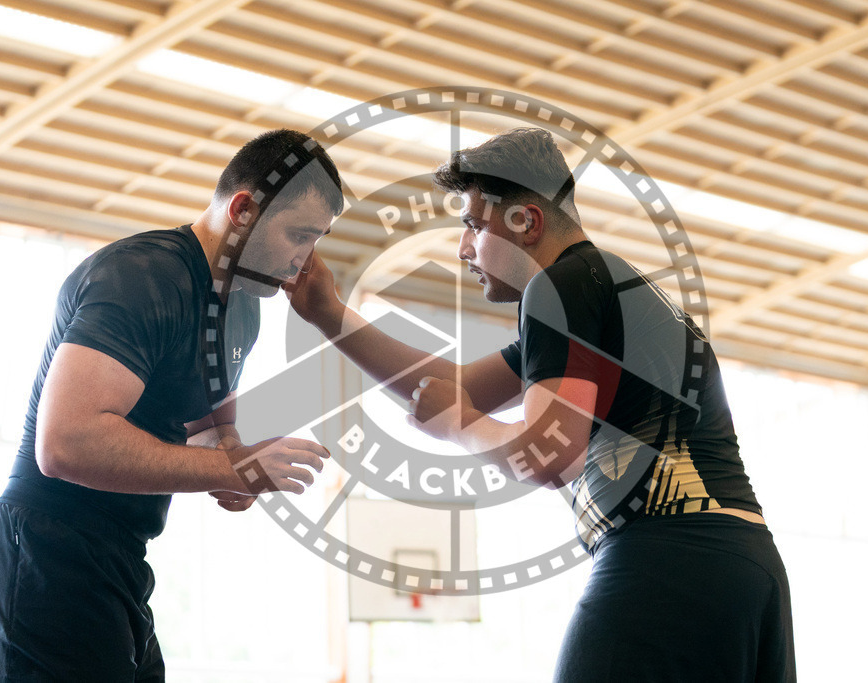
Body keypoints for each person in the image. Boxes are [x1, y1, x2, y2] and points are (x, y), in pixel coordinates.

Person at [287, 127, 796, 682]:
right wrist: (329, 314)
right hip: (747, 569)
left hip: (671, 559)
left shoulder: (561, 287)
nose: (463, 250)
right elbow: (453, 383)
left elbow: (549, 453)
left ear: (526, 222)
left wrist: (461, 427)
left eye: (474, 226)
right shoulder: (604, 287)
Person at [0, 129, 340, 681]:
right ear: (242, 210)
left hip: (121, 555)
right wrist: (231, 466)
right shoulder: (141, 276)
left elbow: (214, 431)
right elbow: (67, 442)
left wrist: (238, 470)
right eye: (299, 235)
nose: (304, 259)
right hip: (46, 547)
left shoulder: (241, 308)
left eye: (317, 238)